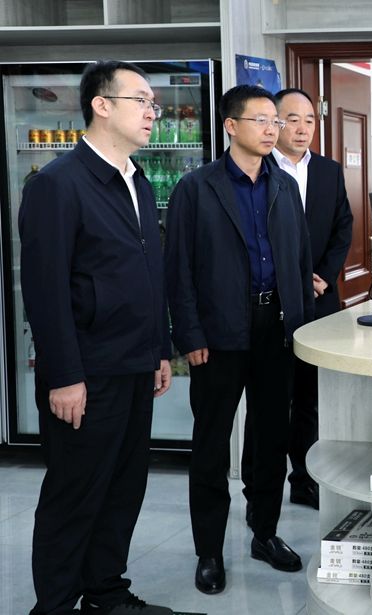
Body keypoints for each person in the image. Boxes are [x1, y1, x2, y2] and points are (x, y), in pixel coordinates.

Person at [20, 60, 173, 615]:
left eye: (154, 103)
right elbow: (44, 289)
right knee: (75, 494)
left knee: (123, 487)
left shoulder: (137, 180)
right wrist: (64, 376)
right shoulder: (58, 184)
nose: (152, 112)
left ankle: (106, 593)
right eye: (141, 100)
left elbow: (148, 273)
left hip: (135, 363)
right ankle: (55, 605)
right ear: (101, 105)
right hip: (86, 373)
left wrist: (159, 350)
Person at [164, 85, 315, 595]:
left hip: (277, 328)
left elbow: (299, 261)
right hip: (218, 333)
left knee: (270, 437)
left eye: (276, 121)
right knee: (211, 443)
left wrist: (301, 326)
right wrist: (189, 333)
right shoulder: (196, 188)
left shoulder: (284, 185)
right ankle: (209, 550)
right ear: (231, 126)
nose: (274, 130)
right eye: (262, 121)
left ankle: (264, 533)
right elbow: (178, 268)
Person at [242, 87, 353, 515]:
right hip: (271, 305)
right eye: (292, 119)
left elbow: (343, 227)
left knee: (309, 397)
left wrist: (321, 275)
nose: (303, 128)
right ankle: (257, 490)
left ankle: (304, 481)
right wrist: (293, 278)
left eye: (309, 120)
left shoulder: (328, 171)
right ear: (274, 123)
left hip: (317, 302)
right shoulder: (257, 169)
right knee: (268, 402)